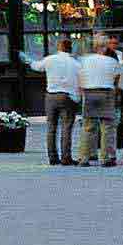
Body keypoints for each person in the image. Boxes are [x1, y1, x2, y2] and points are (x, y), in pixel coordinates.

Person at [27, 36, 82, 166]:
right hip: (68, 97)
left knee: (51, 127)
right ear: (70, 48)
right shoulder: (75, 63)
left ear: (59, 47)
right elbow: (81, 78)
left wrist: (27, 59)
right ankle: (66, 157)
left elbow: (36, 66)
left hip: (51, 96)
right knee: (66, 127)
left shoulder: (50, 59)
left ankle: (52, 157)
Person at [74, 35, 123, 167]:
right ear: (104, 47)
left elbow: (79, 76)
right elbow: (118, 77)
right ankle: (106, 157)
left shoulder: (84, 60)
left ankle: (84, 157)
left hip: (89, 93)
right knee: (107, 127)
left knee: (88, 127)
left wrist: (82, 91)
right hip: (106, 93)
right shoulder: (112, 61)